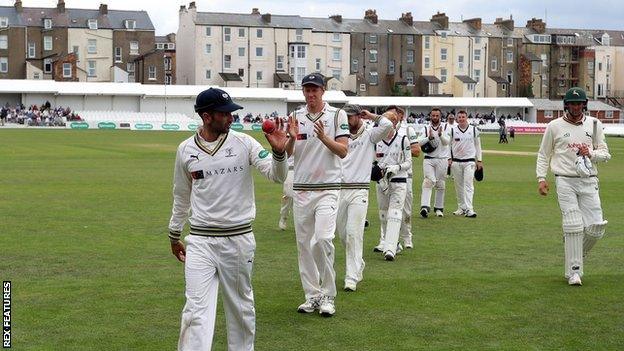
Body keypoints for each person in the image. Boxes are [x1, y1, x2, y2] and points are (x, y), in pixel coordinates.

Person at [168, 87, 291, 350]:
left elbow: (277, 176)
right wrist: (174, 234)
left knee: (241, 309)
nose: (231, 117)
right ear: (206, 116)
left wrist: (280, 154)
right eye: (224, 113)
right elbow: (181, 195)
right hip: (200, 242)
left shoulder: (244, 143)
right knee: (195, 310)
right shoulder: (185, 150)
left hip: (238, 240)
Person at [287, 73, 349, 317]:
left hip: (327, 188)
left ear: (323, 91)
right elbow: (288, 153)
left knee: (322, 239)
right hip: (302, 189)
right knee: (304, 246)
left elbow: (343, 151)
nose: (311, 94)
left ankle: (328, 295)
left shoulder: (337, 115)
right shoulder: (295, 117)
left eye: (315, 90)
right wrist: (290, 139)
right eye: (307, 90)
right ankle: (312, 296)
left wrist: (324, 137)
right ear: (303, 92)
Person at [536, 87, 611, 286]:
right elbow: (544, 154)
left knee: (596, 228)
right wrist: (541, 178)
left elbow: (605, 154)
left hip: (589, 180)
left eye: (579, 103)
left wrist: (591, 153)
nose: (576, 107)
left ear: (584, 104)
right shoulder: (554, 126)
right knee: (573, 225)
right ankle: (574, 272)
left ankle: (573, 253)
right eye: (572, 103)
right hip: (565, 180)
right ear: (566, 105)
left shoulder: (595, 124)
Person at [337, 104, 394, 291]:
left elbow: (387, 126)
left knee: (354, 233)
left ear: (359, 116)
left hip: (359, 189)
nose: (347, 121)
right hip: (339, 189)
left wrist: (371, 115)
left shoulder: (370, 134)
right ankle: (358, 262)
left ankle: (351, 277)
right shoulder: (339, 134)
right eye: (345, 117)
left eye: (350, 117)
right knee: (344, 235)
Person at [374, 112, 412, 261]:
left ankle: (390, 249)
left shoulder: (403, 140)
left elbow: (409, 162)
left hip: (399, 181)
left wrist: (397, 167)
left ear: (394, 123)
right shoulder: (376, 140)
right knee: (383, 214)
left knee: (395, 214)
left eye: (388, 121)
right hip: (382, 182)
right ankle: (392, 243)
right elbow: (373, 161)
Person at [448, 110, 483, 218]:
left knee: (468, 185)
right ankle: (461, 207)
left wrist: (480, 160)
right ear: (457, 119)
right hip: (456, 161)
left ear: (466, 117)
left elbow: (478, 145)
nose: (462, 119)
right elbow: (448, 146)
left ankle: (469, 209)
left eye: (463, 117)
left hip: (469, 161)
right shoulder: (453, 130)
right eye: (460, 117)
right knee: (458, 186)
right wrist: (449, 158)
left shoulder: (473, 130)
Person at [418, 108, 450, 218]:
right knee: (428, 181)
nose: (435, 117)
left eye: (437, 116)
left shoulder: (446, 127)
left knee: (440, 184)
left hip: (442, 158)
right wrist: (429, 137)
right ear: (430, 116)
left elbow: (447, 142)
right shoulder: (426, 128)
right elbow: (419, 142)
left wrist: (440, 135)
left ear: (440, 117)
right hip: (428, 158)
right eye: (433, 115)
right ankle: (424, 207)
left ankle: (439, 208)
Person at [278, 154, 294, 230]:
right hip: (290, 168)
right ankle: (284, 217)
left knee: (304, 197)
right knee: (288, 195)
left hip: (305, 169)